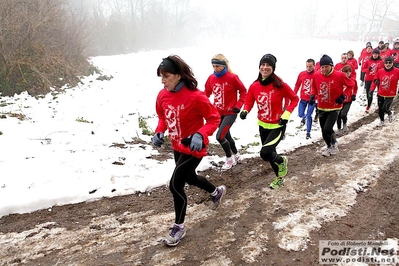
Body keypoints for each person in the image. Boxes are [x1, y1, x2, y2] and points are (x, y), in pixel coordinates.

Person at [153, 55, 226, 246]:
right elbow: (162, 117)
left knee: (175, 185)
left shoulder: (195, 96)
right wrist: (159, 131)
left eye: (166, 76)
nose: (163, 80)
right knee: (190, 178)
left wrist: (200, 134)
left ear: (178, 75)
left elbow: (213, 119)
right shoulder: (162, 95)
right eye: (161, 76)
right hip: (177, 146)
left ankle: (179, 227)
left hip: (194, 148)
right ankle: (215, 191)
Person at [239, 53, 299, 189]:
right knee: (270, 153)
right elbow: (249, 101)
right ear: (259, 67)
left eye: (268, 65)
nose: (265, 67)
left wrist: (286, 114)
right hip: (262, 125)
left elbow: (295, 98)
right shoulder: (254, 86)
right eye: (263, 65)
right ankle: (279, 178)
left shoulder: (279, 84)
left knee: (266, 153)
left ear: (273, 68)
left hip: (277, 125)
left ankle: (282, 160)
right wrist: (245, 111)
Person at [204, 54, 247, 170]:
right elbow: (206, 93)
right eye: (213, 66)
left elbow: (243, 91)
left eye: (217, 66)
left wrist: (238, 105)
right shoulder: (211, 78)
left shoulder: (232, 78)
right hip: (217, 113)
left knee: (220, 136)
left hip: (230, 112)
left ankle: (229, 158)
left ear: (224, 66)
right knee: (226, 135)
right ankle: (236, 154)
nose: (215, 69)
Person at [310, 54, 355, 157]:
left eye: (327, 66)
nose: (324, 69)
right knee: (323, 130)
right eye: (322, 67)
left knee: (327, 128)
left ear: (331, 66)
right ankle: (329, 146)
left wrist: (343, 96)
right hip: (321, 106)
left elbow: (351, 85)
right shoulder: (316, 75)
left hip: (335, 107)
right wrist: (313, 95)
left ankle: (334, 144)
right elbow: (314, 87)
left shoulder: (340, 75)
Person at [371, 56, 399, 126]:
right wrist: (372, 89)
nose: (388, 64)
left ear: (393, 63)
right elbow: (375, 80)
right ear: (384, 63)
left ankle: (390, 113)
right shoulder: (380, 71)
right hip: (381, 92)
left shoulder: (397, 71)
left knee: (384, 108)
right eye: (386, 62)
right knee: (380, 108)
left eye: (390, 62)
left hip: (391, 93)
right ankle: (382, 121)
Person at [293, 58, 316, 139]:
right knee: (300, 114)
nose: (308, 68)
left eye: (310, 66)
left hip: (312, 100)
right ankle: (304, 117)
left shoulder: (317, 74)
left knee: (309, 115)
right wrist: (293, 94)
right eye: (307, 66)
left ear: (314, 66)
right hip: (303, 99)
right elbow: (297, 85)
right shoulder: (302, 74)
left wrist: (315, 97)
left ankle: (308, 132)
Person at [336, 65, 358, 135]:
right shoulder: (340, 79)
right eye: (344, 72)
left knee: (343, 114)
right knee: (338, 115)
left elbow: (355, 88)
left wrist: (354, 95)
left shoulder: (353, 80)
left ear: (350, 73)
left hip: (348, 100)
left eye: (348, 73)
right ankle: (339, 129)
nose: (346, 74)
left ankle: (345, 125)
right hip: (340, 100)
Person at [363, 48, 383, 113]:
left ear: (378, 55)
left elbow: (383, 70)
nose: (375, 55)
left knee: (379, 92)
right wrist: (368, 69)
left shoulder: (381, 61)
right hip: (368, 79)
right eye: (374, 54)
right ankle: (369, 105)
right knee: (369, 93)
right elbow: (363, 69)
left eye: (376, 54)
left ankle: (380, 104)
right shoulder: (368, 61)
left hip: (377, 79)